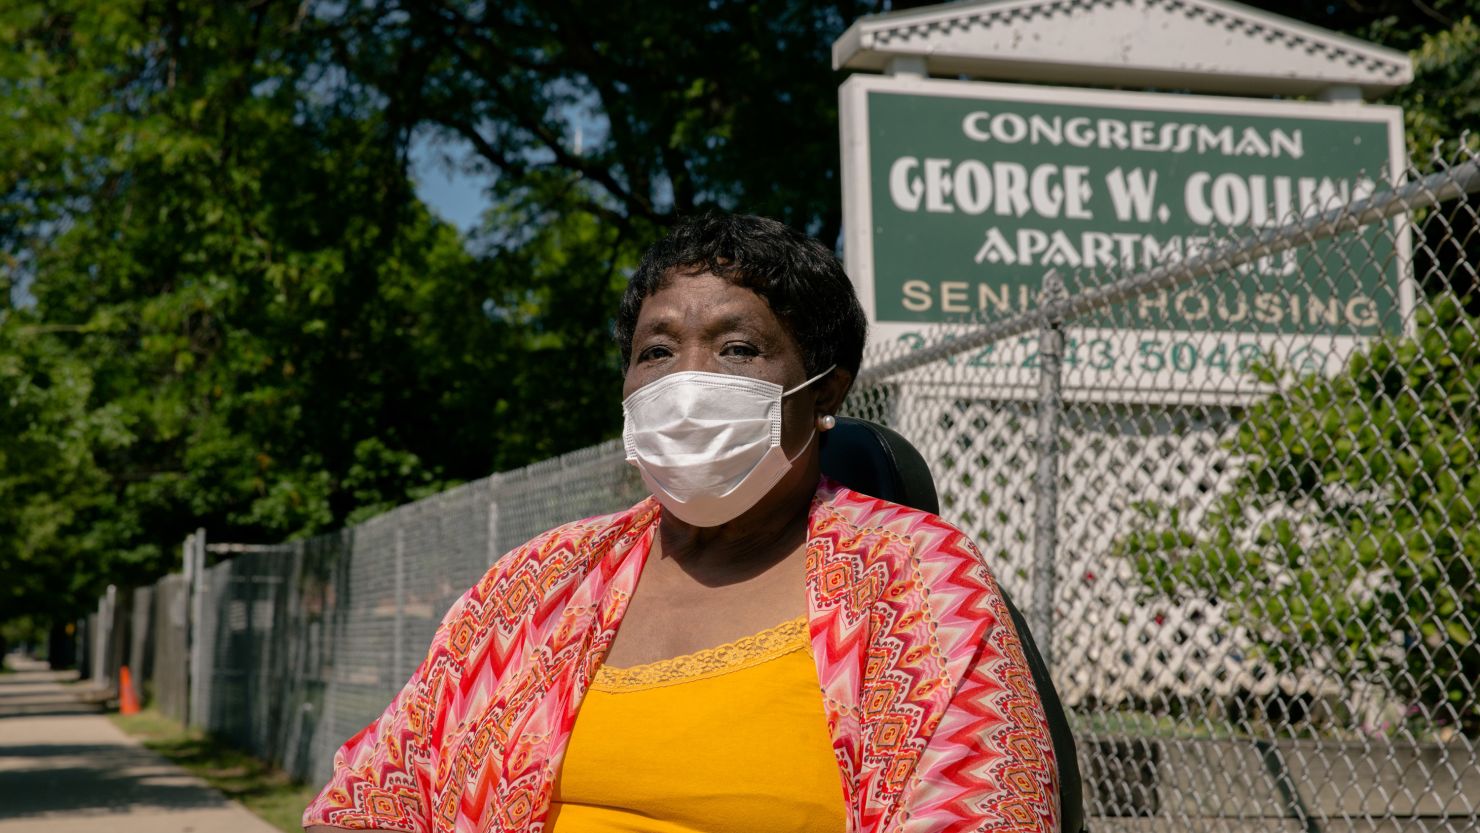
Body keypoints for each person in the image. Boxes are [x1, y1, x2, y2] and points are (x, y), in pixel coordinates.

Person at [303, 213, 1058, 833]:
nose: (688, 382)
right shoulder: (535, 585)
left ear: (827, 389)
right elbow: (375, 792)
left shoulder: (917, 581)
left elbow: (987, 806)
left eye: (737, 348)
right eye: (657, 351)